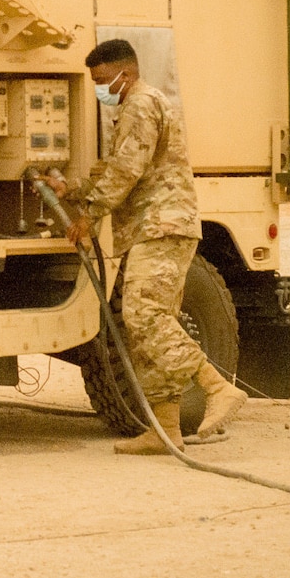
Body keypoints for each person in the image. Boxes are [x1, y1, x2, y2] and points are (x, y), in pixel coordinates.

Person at [45, 38, 248, 454]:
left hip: (161, 224)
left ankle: (216, 387)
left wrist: (91, 215)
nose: (101, 89)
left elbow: (127, 168)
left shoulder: (140, 103)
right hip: (151, 226)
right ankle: (166, 429)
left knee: (143, 316)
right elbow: (118, 166)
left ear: (127, 73)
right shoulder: (137, 106)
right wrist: (73, 190)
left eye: (103, 80)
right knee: (150, 328)